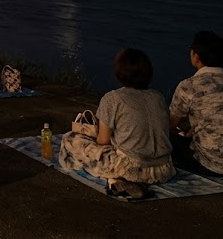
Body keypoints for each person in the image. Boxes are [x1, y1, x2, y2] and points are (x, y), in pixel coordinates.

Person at [59, 48, 175, 198]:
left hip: (131, 168)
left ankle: (121, 180)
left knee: (70, 139)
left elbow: (103, 141)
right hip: (164, 169)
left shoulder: (112, 99)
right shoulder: (158, 97)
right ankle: (125, 182)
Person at [168, 31, 223, 176]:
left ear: (196, 57)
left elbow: (170, 124)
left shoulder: (189, 86)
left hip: (211, 166)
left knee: (166, 139)